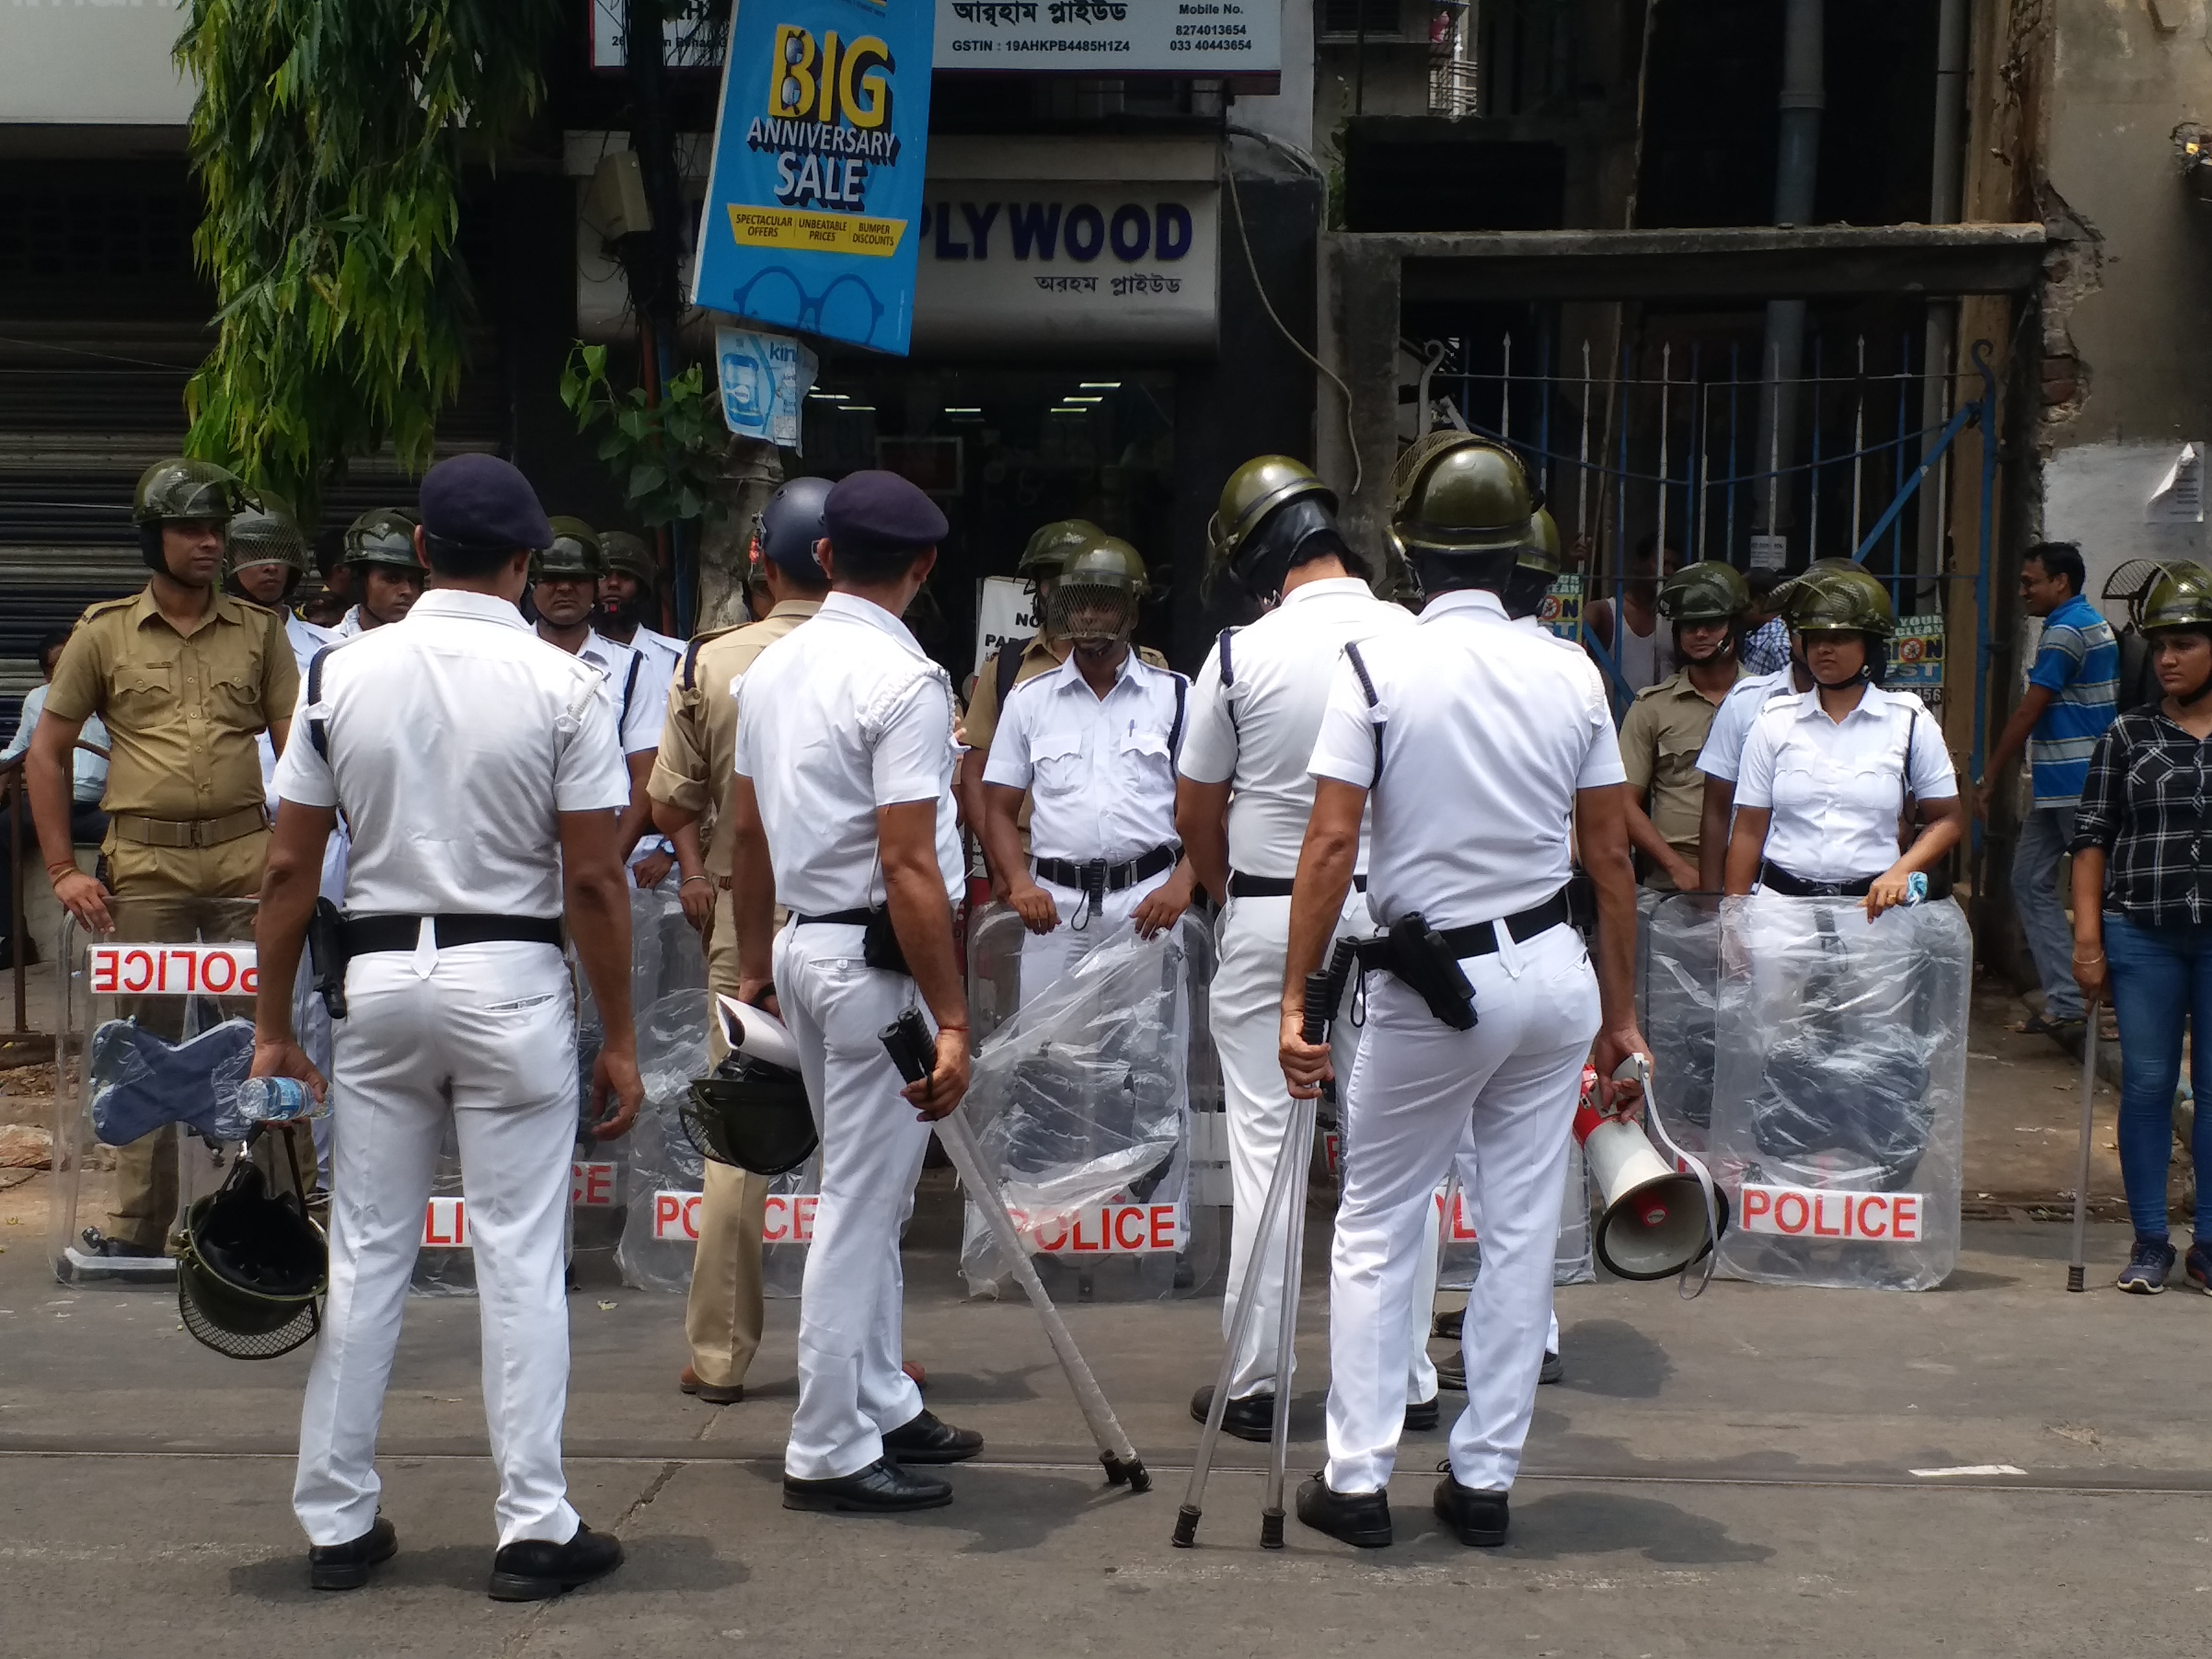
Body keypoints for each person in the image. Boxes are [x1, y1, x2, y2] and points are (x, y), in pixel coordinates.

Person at [251, 451, 642, 1599]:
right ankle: (532, 1522)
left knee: (368, 1246)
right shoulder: (567, 685)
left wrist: (272, 1025)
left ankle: (336, 1516)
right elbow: (592, 885)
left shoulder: (337, 675)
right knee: (517, 1255)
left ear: (417, 551)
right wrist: (618, 1030)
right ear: (526, 566)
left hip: (375, 983)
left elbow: (288, 866)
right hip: (512, 976)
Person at [1278, 436, 1648, 1551]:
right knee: (1521, 1225)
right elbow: (1611, 862)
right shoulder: (1573, 669)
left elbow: (1331, 842)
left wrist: (1296, 1001)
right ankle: (1482, 1479)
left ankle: (1355, 1478)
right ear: (1520, 557)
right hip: (1553, 978)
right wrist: (1623, 1018)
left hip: (1434, 985)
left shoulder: (1374, 668)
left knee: (1382, 1225)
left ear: (1410, 552)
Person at [726, 469, 983, 1514]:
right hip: (875, 965)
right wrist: (955, 1016)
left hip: (804, 945)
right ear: (923, 570)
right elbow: (912, 863)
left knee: (860, 1200)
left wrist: (756, 963)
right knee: (861, 1204)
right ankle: (827, 1446)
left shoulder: (774, 671)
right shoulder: (907, 681)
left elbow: (744, 834)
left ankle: (878, 1397)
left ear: (823, 559)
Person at [1177, 454, 1422, 1443]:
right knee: (1400, 1159)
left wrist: (1237, 893)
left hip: (1277, 913)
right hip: (1401, 925)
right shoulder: (1415, 638)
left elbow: (1196, 810)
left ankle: (1255, 1380)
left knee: (1265, 1151)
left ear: (1258, 556)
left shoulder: (1239, 654)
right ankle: (1403, 1379)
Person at [27, 457, 301, 1258]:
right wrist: (62, 870)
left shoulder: (262, 631)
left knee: (267, 1035)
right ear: (154, 538)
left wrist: (295, 854)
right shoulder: (103, 632)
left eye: (217, 529)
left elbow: (299, 753)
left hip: (247, 860)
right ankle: (140, 1226)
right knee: (142, 1045)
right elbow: (46, 755)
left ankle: (280, 1214)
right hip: (144, 866)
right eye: (191, 529)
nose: (210, 543)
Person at [647, 476, 830, 1407]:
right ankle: (861, 1355)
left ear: (762, 560)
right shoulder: (885, 661)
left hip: (741, 924)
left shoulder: (709, 663)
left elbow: (669, 800)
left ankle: (720, 1356)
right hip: (857, 926)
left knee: (741, 1143)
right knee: (866, 1148)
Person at [2068, 561, 2212, 1294]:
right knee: (2150, 1084)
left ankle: (2210, 1243)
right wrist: (2087, 941)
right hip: (2142, 936)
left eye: (2185, 643)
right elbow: (2091, 838)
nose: (2167, 659)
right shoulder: (2128, 735)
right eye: (2159, 646)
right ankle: (2152, 1240)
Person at [980, 538, 1197, 1000]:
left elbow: (1211, 807)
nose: (1089, 617)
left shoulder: (1177, 696)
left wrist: (1183, 883)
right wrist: (1019, 882)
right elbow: (998, 808)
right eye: (1078, 605)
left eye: (1103, 604)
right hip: (1054, 911)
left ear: (1131, 610)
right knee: (1048, 1054)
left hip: (1150, 904)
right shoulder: (1029, 700)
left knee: (1149, 1058)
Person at [1723, 575, 1963, 913]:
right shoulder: (1774, 719)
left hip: (1874, 914)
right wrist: (1735, 924)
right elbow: (1749, 828)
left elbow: (1949, 820)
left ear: (1870, 644)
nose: (1824, 648)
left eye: (1840, 637)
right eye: (1815, 637)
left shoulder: (1909, 720)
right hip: (1780, 915)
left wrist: (1902, 870)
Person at [1975, 541, 2119, 1041]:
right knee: (2030, 881)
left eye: (2030, 582)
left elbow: (2028, 710)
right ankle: (2068, 999)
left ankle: (2103, 1003)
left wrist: (1992, 774)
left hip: (2076, 782)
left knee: (2090, 892)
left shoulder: (2065, 633)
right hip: (2065, 783)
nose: (2023, 592)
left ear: (2061, 583)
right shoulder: (2089, 623)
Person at [1692, 561, 1875, 891]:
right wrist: (1715, 907)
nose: (1823, 643)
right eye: (1810, 627)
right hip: (1761, 895)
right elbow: (1718, 811)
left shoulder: (1896, 717)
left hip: (1860, 900)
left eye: (1839, 632)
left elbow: (1903, 822)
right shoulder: (1748, 703)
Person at [531, 518, 665, 873]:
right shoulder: (502, 661)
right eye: (551, 579)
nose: (564, 589)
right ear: (531, 584)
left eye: (577, 579)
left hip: (608, 848)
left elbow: (646, 779)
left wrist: (603, 866)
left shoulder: (632, 666)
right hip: (520, 859)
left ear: (594, 586)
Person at [955, 518, 1093, 849]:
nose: (1064, 592)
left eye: (1076, 579)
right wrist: (1002, 865)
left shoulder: (1145, 667)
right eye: (1052, 581)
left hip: (1128, 869)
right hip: (1028, 857)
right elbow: (975, 775)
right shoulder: (1007, 666)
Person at [1619, 561, 1749, 892]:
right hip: (1673, 882)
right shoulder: (1652, 706)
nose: (1700, 634)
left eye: (1712, 623)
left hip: (1756, 876)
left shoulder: (1771, 702)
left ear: (1735, 626)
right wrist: (1676, 868)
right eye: (1689, 626)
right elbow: (1622, 800)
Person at [0, 630, 110, 968]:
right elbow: (19, 750)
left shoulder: (109, 694)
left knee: (127, 838)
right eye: (54, 668)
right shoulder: (38, 700)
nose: (63, 674)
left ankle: (109, 938)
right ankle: (12, 939)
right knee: (2, 830)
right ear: (46, 673)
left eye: (69, 664)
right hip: (51, 806)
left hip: (98, 808)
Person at [1587, 532, 1677, 692]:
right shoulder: (1606, 613)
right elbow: (1565, 629)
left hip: (1663, 717)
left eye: (1674, 567)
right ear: (1638, 564)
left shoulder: (1675, 618)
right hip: (1615, 716)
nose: (1669, 572)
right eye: (1663, 563)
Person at [332, 508, 425, 637]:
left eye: (413, 581)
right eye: (392, 579)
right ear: (360, 582)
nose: (407, 591)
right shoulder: (328, 647)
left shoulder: (434, 645)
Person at [1739, 568, 1792, 675]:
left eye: (1742, 601)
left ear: (1759, 601)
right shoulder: (1753, 635)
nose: (1738, 608)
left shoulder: (1779, 646)